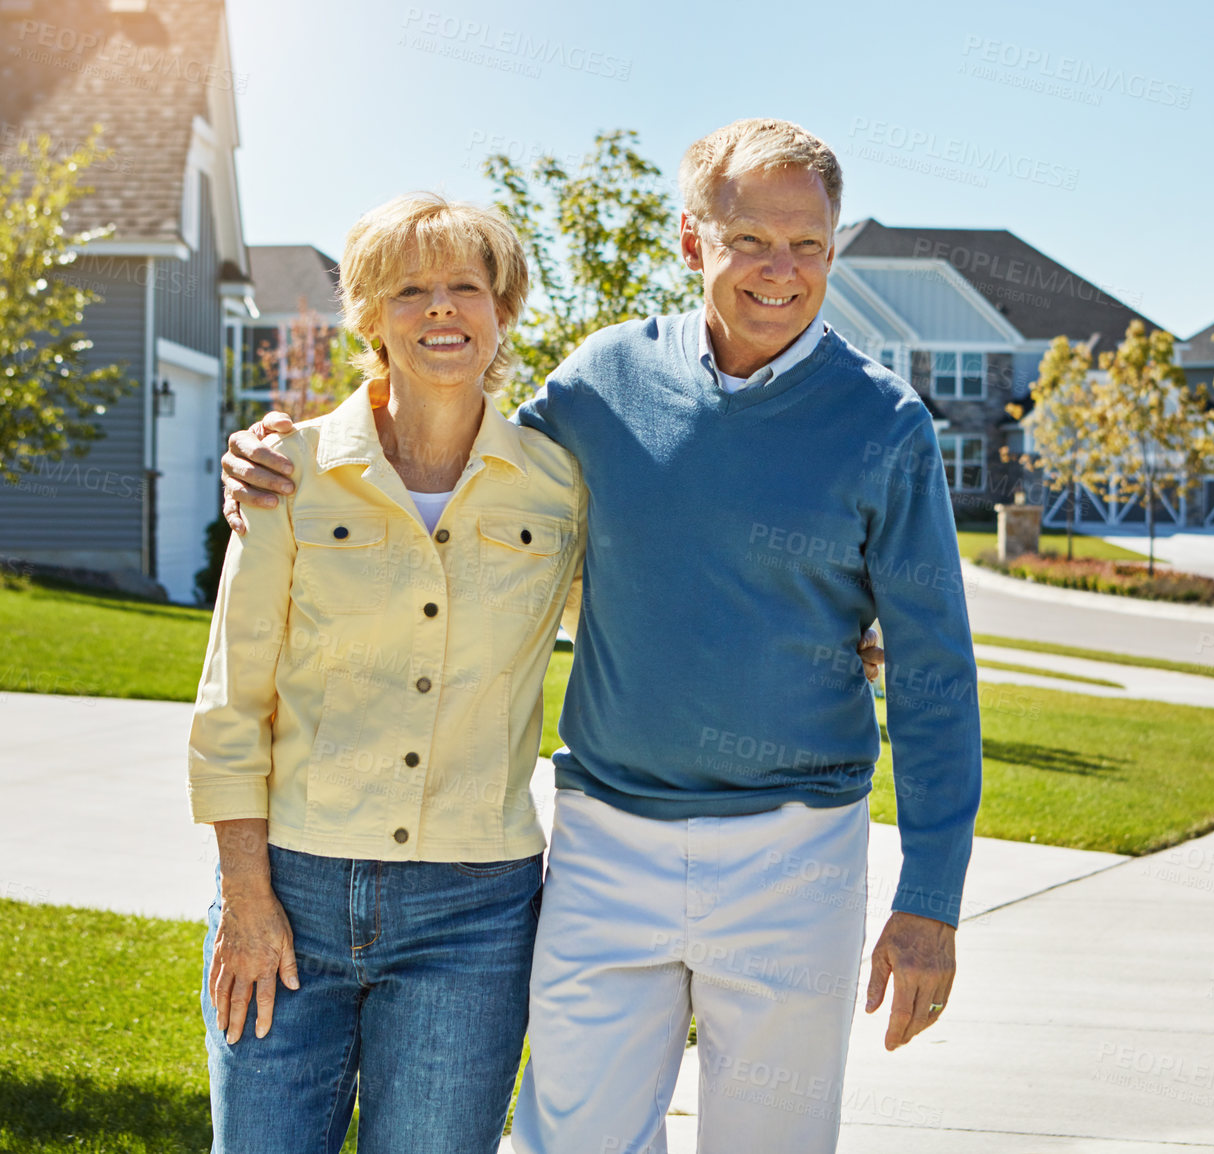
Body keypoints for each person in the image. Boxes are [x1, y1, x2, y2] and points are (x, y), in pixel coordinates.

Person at [222, 118, 980, 1154]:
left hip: (794, 849)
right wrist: (286, 451)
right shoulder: (603, 379)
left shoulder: (884, 423)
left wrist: (929, 897)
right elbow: (450, 445)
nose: (780, 269)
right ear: (690, 239)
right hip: (604, 842)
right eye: (750, 238)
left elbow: (935, 672)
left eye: (808, 244)